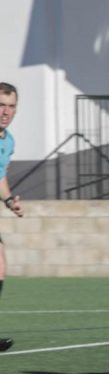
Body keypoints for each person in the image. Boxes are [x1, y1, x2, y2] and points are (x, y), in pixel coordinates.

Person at [0, 83, 24, 352]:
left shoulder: (8, 141)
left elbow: (0, 177)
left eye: (11, 106)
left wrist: (8, 200)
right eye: (1, 105)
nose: (6, 112)